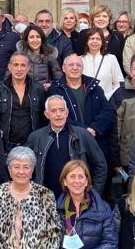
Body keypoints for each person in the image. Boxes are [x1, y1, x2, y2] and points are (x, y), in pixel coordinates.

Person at [48, 54, 120, 183]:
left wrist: (94, 128)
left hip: (96, 142)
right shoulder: (56, 89)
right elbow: (59, 116)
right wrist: (83, 131)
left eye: (78, 65)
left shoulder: (94, 87)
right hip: (70, 144)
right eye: (71, 65)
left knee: (97, 182)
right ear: (63, 68)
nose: (75, 68)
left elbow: (108, 111)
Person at [26, 95, 108, 198]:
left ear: (67, 112)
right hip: (45, 199)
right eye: (53, 111)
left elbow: (100, 165)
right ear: (46, 114)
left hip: (78, 199)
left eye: (61, 110)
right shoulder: (35, 137)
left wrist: (93, 194)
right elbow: (26, 168)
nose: (58, 114)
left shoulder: (82, 135)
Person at [0, 51, 47, 152]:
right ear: (10, 67)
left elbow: (44, 119)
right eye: (16, 65)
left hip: (32, 145)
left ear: (28, 68)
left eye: (23, 65)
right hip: (6, 145)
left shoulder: (38, 89)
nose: (19, 69)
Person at [80, 27, 124, 100]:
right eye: (92, 38)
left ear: (102, 42)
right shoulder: (79, 60)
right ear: (87, 42)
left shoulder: (111, 59)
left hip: (107, 101)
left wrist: (107, 97)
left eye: (98, 39)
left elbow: (119, 83)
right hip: (85, 102)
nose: (95, 41)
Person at [17, 25, 61, 89]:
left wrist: (51, 85)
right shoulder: (19, 56)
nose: (35, 40)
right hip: (25, 94)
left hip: (44, 93)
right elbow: (10, 78)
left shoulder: (49, 55)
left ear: (42, 39)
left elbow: (59, 78)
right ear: (26, 40)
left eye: (38, 37)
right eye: (31, 37)